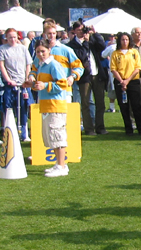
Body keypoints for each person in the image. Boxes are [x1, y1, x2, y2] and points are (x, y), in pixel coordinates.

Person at [26, 39, 71, 177]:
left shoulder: (54, 65)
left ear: (49, 50)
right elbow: (39, 81)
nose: (40, 54)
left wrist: (46, 86)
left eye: (43, 51)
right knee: (52, 136)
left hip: (55, 105)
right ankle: (59, 164)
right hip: (46, 105)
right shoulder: (41, 65)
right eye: (38, 52)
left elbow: (63, 84)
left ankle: (62, 166)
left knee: (58, 135)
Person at [67, 20, 108, 135]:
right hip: (84, 77)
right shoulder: (72, 45)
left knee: (100, 103)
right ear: (74, 31)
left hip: (97, 74)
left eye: (83, 29)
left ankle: (100, 127)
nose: (81, 32)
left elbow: (102, 46)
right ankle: (89, 128)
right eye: (79, 30)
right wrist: (85, 42)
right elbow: (81, 55)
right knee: (85, 103)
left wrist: (95, 34)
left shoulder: (91, 40)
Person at [109, 32, 141, 135]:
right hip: (120, 82)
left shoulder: (134, 52)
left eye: (126, 39)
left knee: (136, 106)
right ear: (119, 41)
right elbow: (113, 68)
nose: (125, 41)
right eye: (122, 40)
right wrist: (122, 81)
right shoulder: (115, 53)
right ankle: (128, 129)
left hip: (133, 81)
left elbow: (137, 67)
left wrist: (127, 80)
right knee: (124, 107)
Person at [0, 28, 32, 141]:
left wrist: (26, 78)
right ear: (6, 38)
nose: (12, 39)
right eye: (10, 37)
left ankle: (24, 133)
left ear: (17, 37)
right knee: (7, 108)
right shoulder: (3, 49)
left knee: (23, 107)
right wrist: (8, 80)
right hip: (10, 84)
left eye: (14, 37)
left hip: (22, 83)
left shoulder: (23, 49)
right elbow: (2, 66)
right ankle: (6, 133)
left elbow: (28, 64)